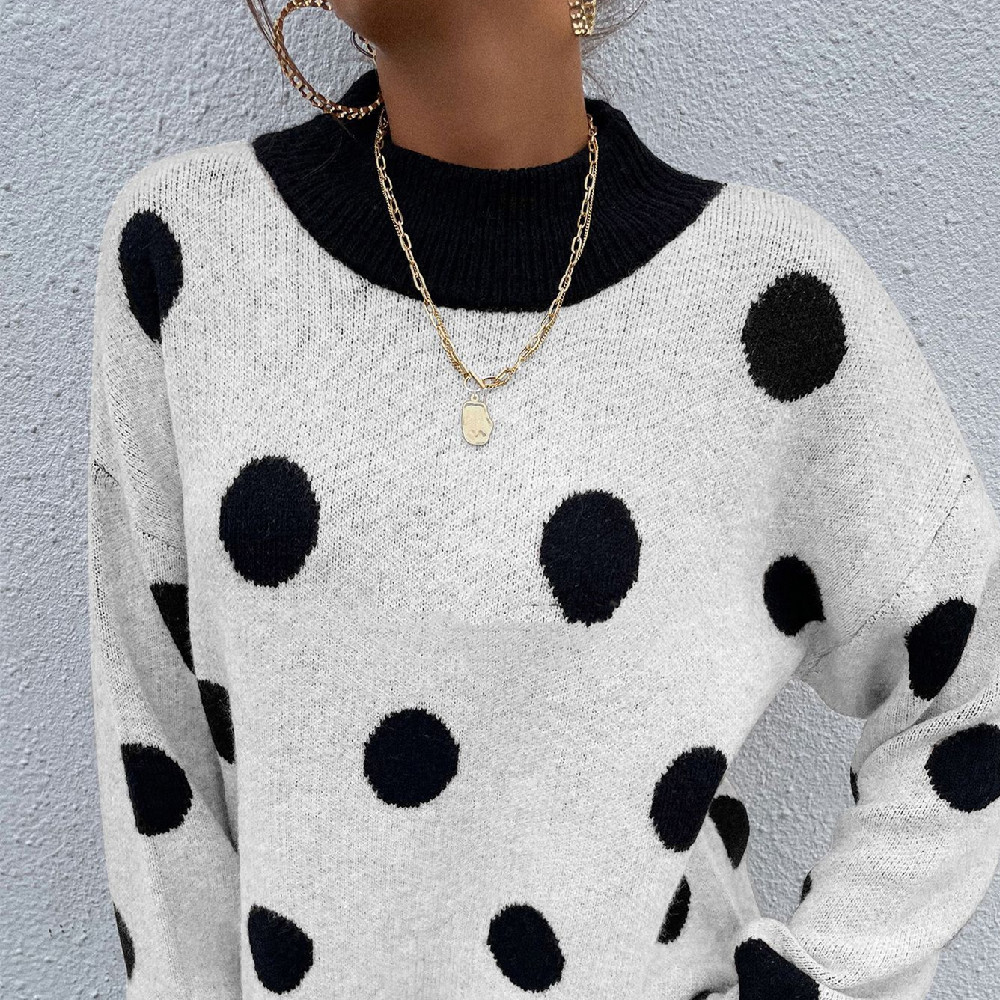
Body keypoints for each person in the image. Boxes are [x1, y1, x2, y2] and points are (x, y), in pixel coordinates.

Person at [85, 1, 1000, 998]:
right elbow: (161, 780)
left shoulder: (768, 304)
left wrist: (818, 981)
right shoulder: (191, 255)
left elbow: (971, 686)